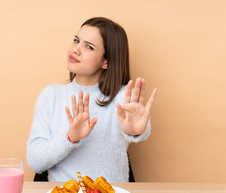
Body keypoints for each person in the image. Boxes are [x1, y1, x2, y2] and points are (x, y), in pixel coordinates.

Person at [27, 17, 157, 182]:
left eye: (89, 46)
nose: (76, 49)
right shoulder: (51, 96)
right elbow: (36, 162)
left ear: (105, 61)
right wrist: (70, 138)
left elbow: (138, 126)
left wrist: (136, 131)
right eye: (76, 40)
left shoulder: (123, 96)